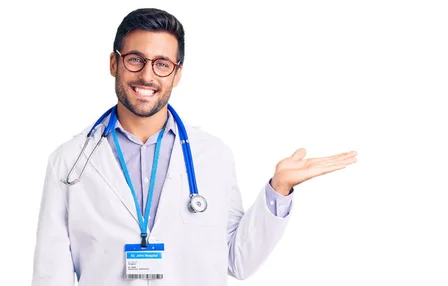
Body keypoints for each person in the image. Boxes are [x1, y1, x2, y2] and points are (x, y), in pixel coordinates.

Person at [30, 7, 357, 286]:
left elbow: (237, 260)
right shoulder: (69, 161)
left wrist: (279, 189)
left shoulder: (212, 155)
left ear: (177, 74)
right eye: (135, 60)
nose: (147, 75)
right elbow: (51, 274)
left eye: (162, 64)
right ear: (114, 64)